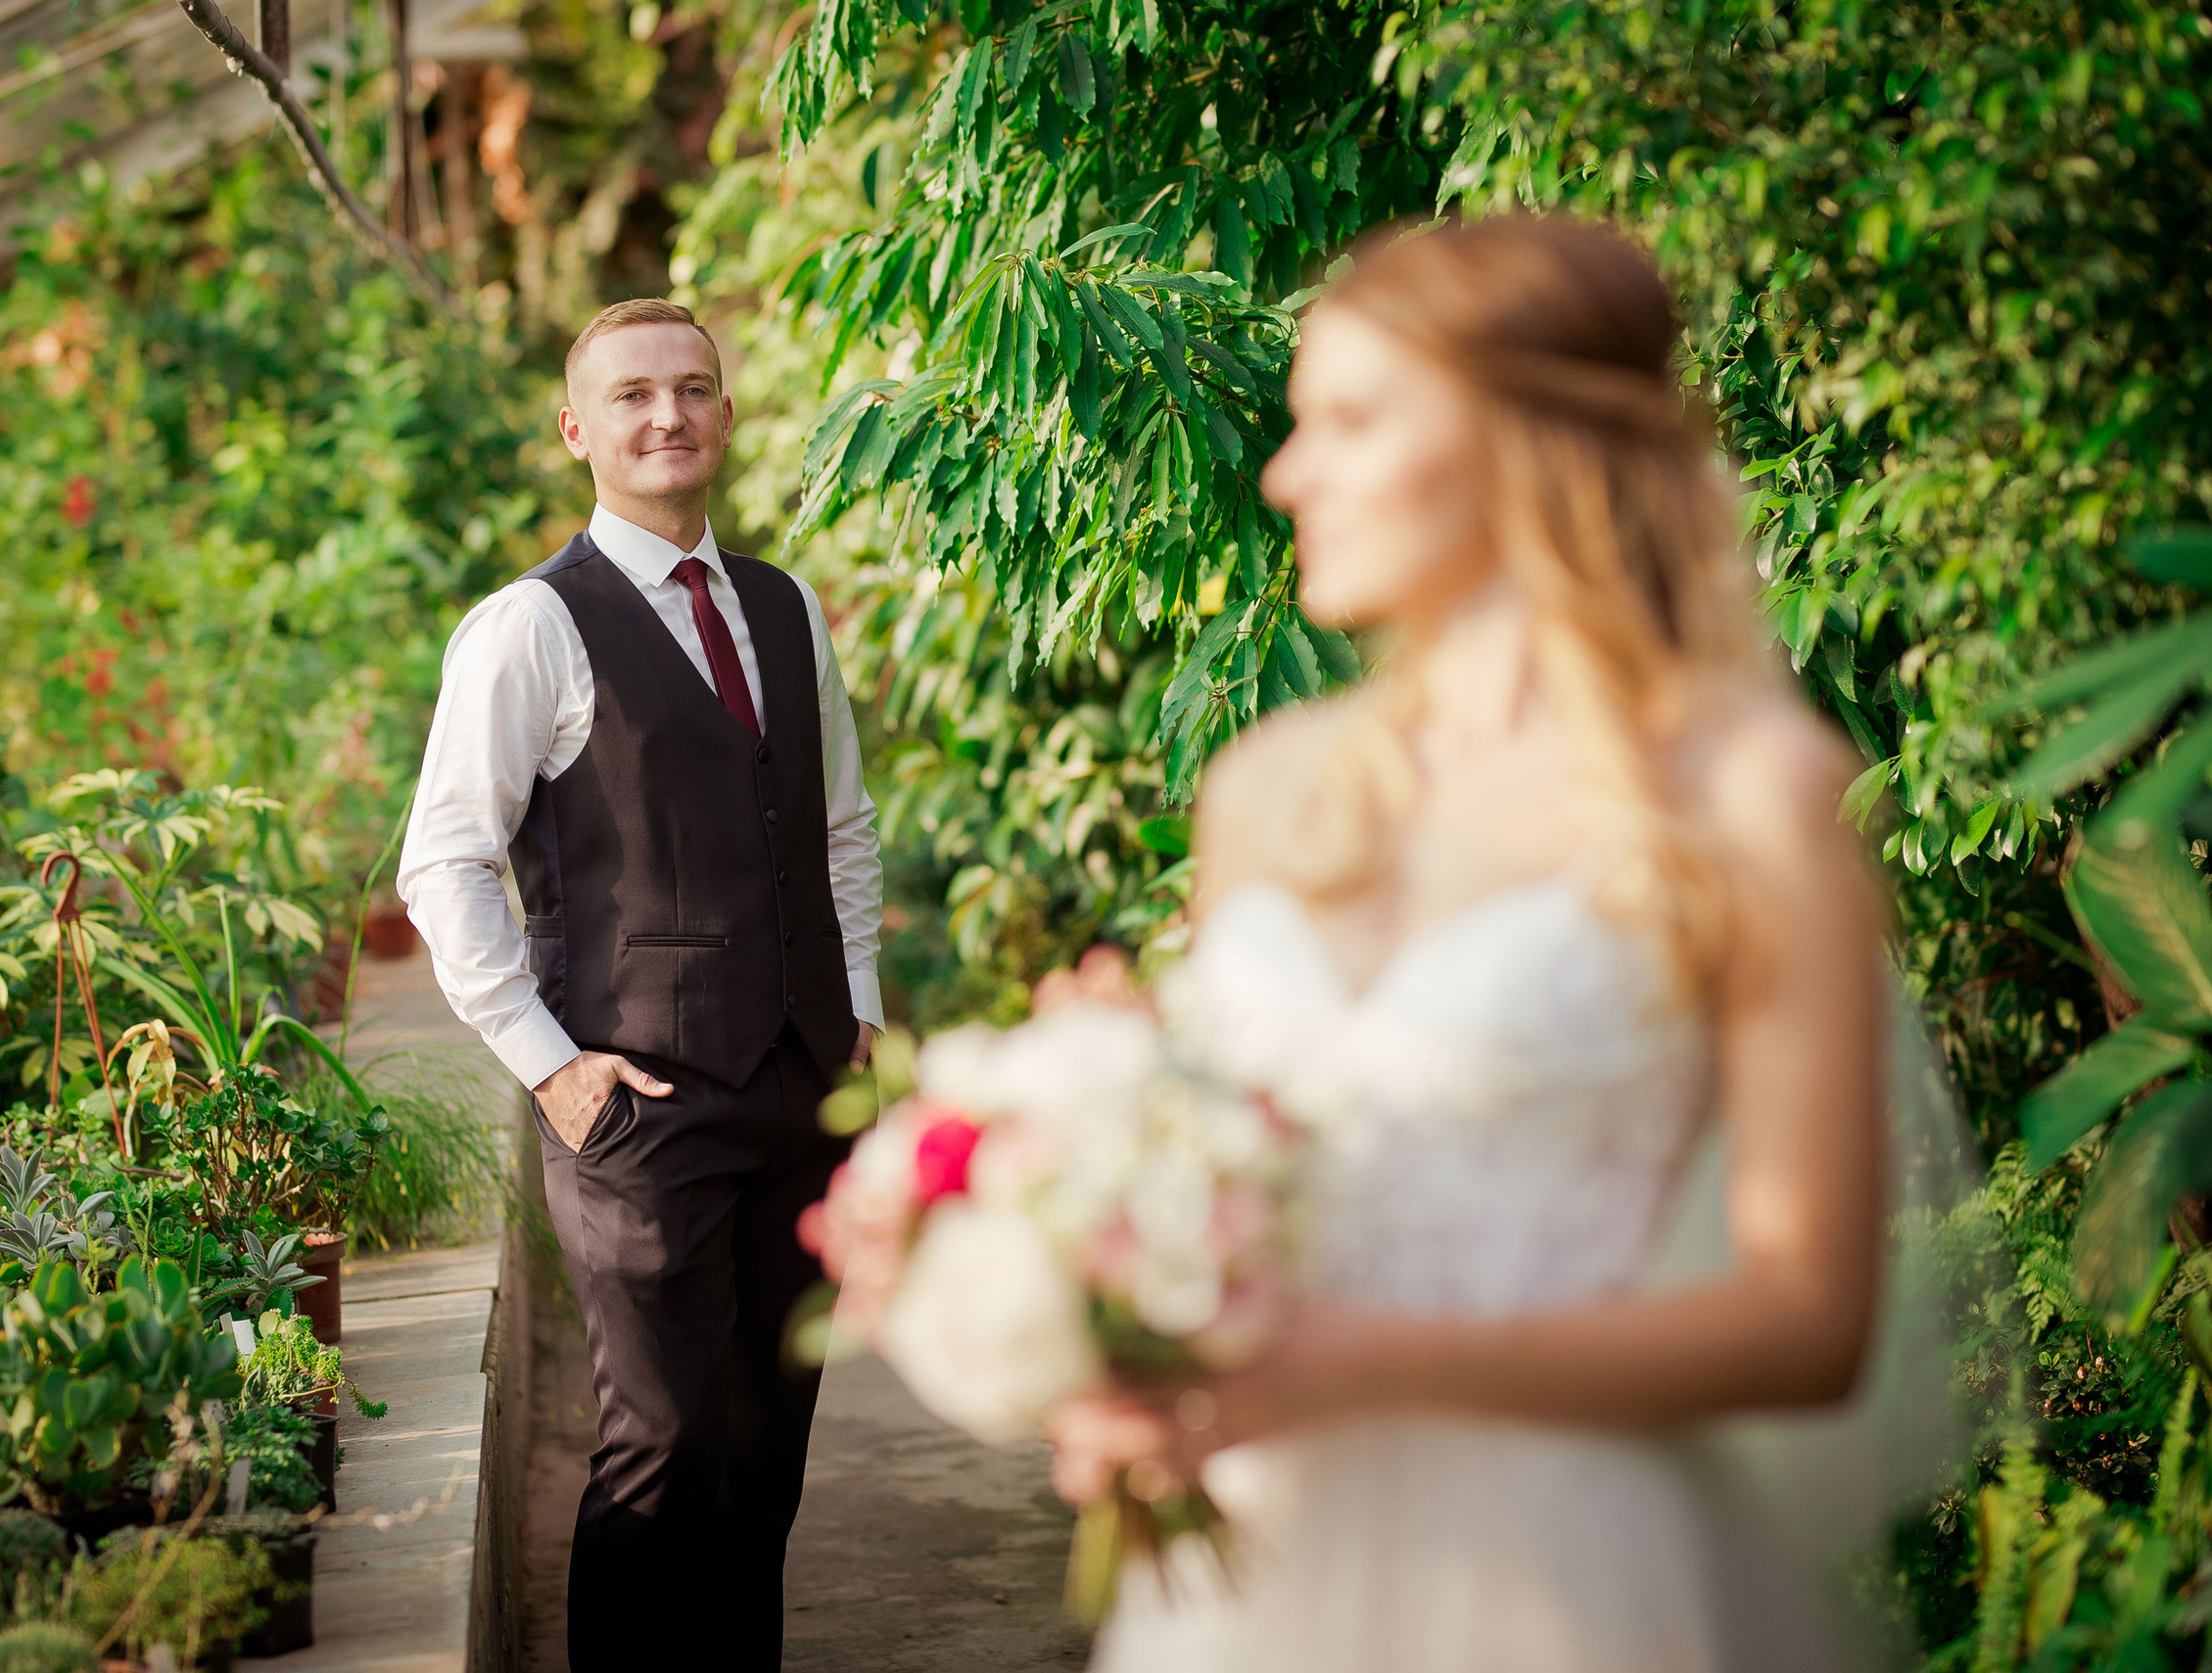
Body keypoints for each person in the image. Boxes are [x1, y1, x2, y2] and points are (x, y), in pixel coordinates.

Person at [1045, 213, 1897, 1671]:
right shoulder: (1271, 793)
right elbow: (1223, 1188)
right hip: (1254, 1579)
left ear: (1527, 438)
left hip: (1577, 1568)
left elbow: (1809, 1320)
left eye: (1353, 420)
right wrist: (1111, 1309)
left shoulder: (1751, 795)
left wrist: (1368, 1362)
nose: (1286, 472)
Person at [396, 299, 884, 1672]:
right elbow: (442, 864)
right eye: (631, 395)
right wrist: (551, 1066)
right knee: (660, 1455)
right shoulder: (527, 628)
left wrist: (864, 1022)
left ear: (727, 413)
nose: (666, 414)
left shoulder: (785, 609)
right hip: (640, 1106)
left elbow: (841, 832)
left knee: (764, 1446)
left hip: (800, 1088)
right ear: (577, 430)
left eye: (693, 388)